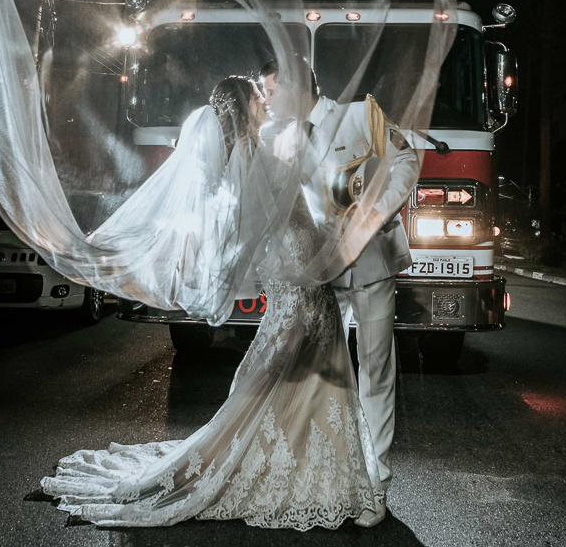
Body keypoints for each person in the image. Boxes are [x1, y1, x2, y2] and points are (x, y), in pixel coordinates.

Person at [41, 76, 387, 530]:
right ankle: (338, 486)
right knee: (309, 382)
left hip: (301, 283)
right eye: (258, 98)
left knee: (305, 384)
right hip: (300, 287)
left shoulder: (248, 162)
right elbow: (272, 230)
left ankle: (332, 479)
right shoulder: (258, 163)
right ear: (244, 111)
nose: (266, 102)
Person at [260, 57, 421, 516]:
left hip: (370, 265)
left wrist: (375, 217)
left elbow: (406, 160)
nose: (268, 101)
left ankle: (376, 487)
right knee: (323, 376)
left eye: (272, 90)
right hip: (321, 274)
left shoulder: (358, 115)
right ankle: (330, 474)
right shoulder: (286, 140)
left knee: (374, 374)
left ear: (295, 87)